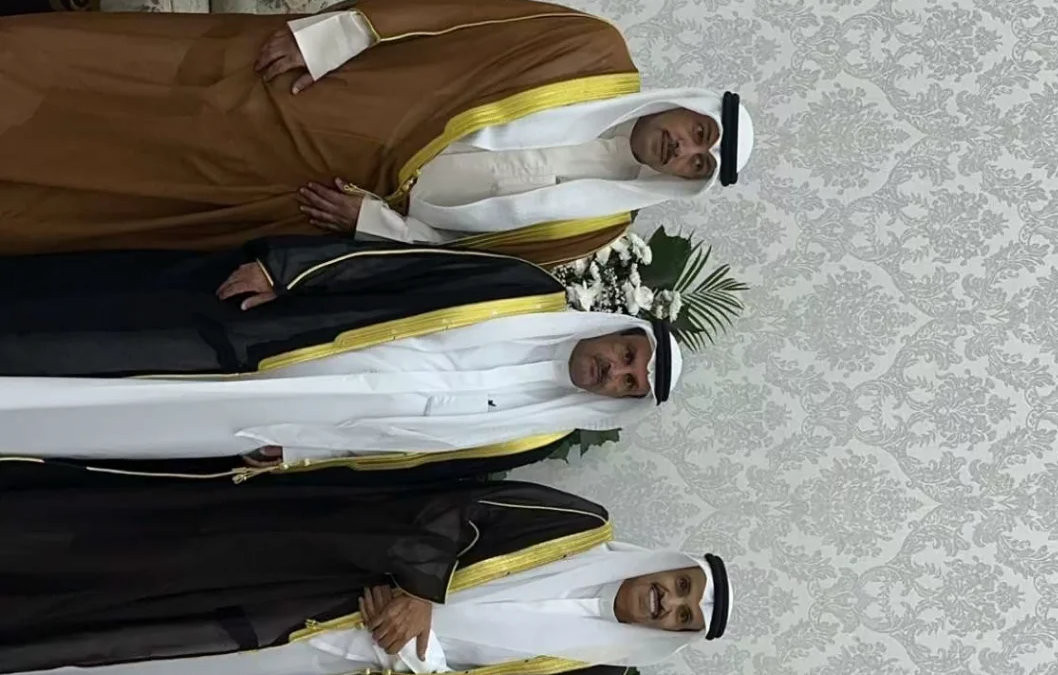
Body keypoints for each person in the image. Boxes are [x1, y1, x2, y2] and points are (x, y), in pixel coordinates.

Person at [0, 463, 733, 675]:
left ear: (671, 634)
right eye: (680, 586)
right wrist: (420, 592)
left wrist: (413, 651)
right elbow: (461, 506)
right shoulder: (579, 526)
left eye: (680, 616)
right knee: (136, 612)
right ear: (669, 563)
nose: (668, 602)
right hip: (317, 582)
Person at [0, 0, 753, 263]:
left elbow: (465, 260)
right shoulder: (594, 51)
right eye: (700, 133)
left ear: (684, 183)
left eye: (697, 163)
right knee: (150, 90)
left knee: (153, 191)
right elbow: (463, 14)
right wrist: (333, 35)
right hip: (338, 95)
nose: (684, 148)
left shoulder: (597, 227)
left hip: (328, 195)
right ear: (692, 105)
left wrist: (371, 224)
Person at [0, 239, 681, 469]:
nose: (616, 370)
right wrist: (292, 269)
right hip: (274, 337)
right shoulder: (524, 291)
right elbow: (402, 265)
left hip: (267, 426)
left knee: (103, 425)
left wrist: (301, 456)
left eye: (629, 383)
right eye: (628, 354)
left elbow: (409, 470)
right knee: (76, 344)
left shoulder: (533, 437)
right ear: (618, 328)